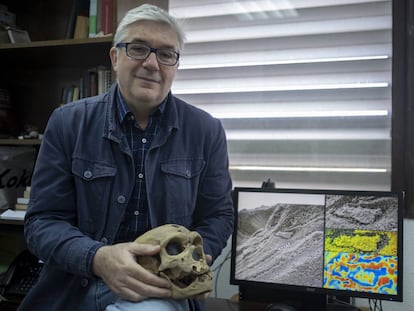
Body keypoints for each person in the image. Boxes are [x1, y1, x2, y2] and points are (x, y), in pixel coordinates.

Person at [19, 4, 233, 311]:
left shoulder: (206, 131)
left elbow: (219, 215)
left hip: (162, 286)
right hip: (78, 285)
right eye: (138, 48)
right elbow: (42, 222)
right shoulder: (67, 123)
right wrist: (98, 258)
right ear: (115, 57)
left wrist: (193, 257)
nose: (151, 63)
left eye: (166, 54)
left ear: (175, 64)